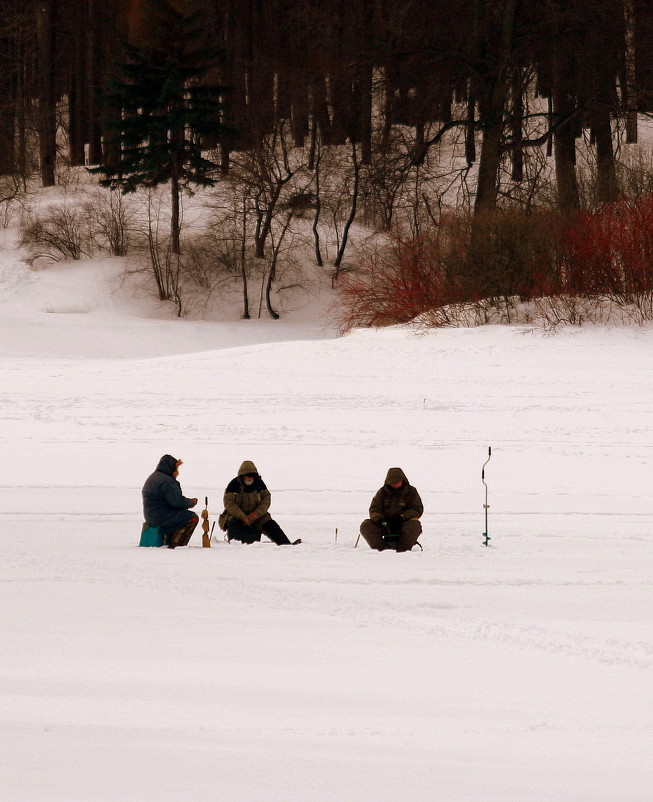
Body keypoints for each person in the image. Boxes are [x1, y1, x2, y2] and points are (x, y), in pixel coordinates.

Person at [222, 460, 300, 546]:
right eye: (247, 476)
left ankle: (287, 545)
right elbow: (229, 504)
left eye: (252, 476)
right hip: (236, 516)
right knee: (233, 523)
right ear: (242, 476)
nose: (249, 478)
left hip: (257, 517)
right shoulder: (233, 485)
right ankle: (235, 546)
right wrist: (242, 516)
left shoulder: (260, 484)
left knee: (271, 525)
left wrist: (255, 515)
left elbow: (266, 501)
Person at [359, 467, 423, 552]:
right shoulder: (382, 492)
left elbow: (417, 509)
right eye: (392, 483)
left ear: (402, 480)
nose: (395, 485)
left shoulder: (411, 492)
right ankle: (383, 550)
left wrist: (402, 517)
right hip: (385, 525)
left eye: (397, 482)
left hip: (403, 524)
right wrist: (380, 519)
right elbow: (374, 509)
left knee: (415, 526)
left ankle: (402, 550)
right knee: (366, 526)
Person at [142, 455, 199, 549]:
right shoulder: (166, 481)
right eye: (176, 468)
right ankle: (176, 545)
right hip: (160, 516)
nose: (177, 471)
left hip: (152, 515)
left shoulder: (155, 476)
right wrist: (192, 502)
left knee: (181, 516)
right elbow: (177, 502)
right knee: (192, 517)